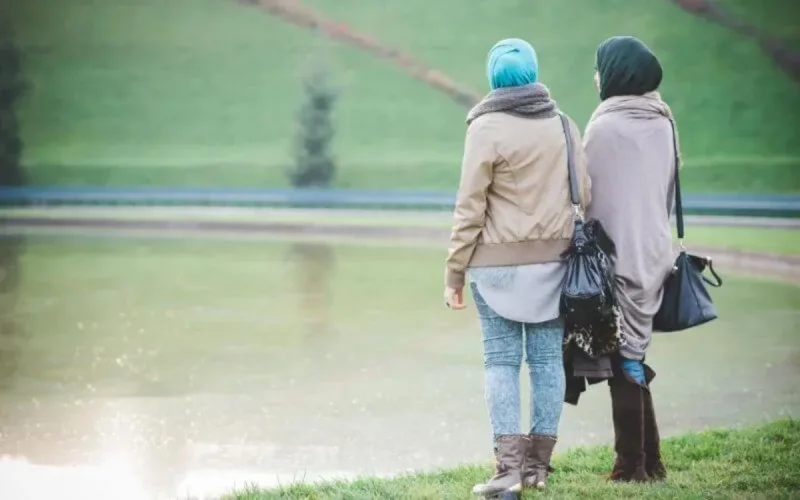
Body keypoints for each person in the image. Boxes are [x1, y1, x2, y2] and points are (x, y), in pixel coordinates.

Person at [443, 38, 591, 497]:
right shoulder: (564, 125)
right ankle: (537, 470)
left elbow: (470, 205)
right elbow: (584, 194)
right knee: (547, 361)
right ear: (533, 73)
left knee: (501, 361)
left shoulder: (484, 127)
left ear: (493, 77)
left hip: (496, 268)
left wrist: (454, 271)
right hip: (555, 267)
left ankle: (507, 472)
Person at [583, 35, 676, 482]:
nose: (595, 77)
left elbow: (588, 197)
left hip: (619, 255)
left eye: (600, 69)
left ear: (616, 75)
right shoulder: (663, 121)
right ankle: (651, 461)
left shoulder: (605, 127)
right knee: (632, 350)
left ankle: (631, 466)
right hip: (655, 248)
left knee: (624, 357)